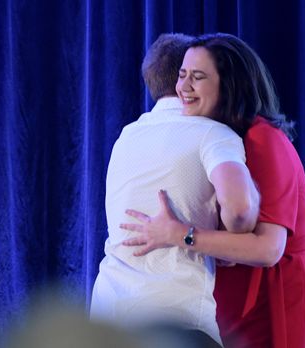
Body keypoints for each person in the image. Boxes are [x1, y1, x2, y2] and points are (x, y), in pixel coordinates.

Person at [121, 33, 305, 347]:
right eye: (182, 75)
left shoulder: (263, 140)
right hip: (230, 289)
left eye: (197, 77)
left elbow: (269, 249)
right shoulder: (217, 137)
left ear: (229, 86)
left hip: (273, 298)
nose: (182, 88)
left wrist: (178, 234)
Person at [89, 33, 260, 347]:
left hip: (108, 319)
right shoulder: (213, 134)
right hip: (176, 322)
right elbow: (240, 210)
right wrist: (223, 235)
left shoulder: (125, 136)